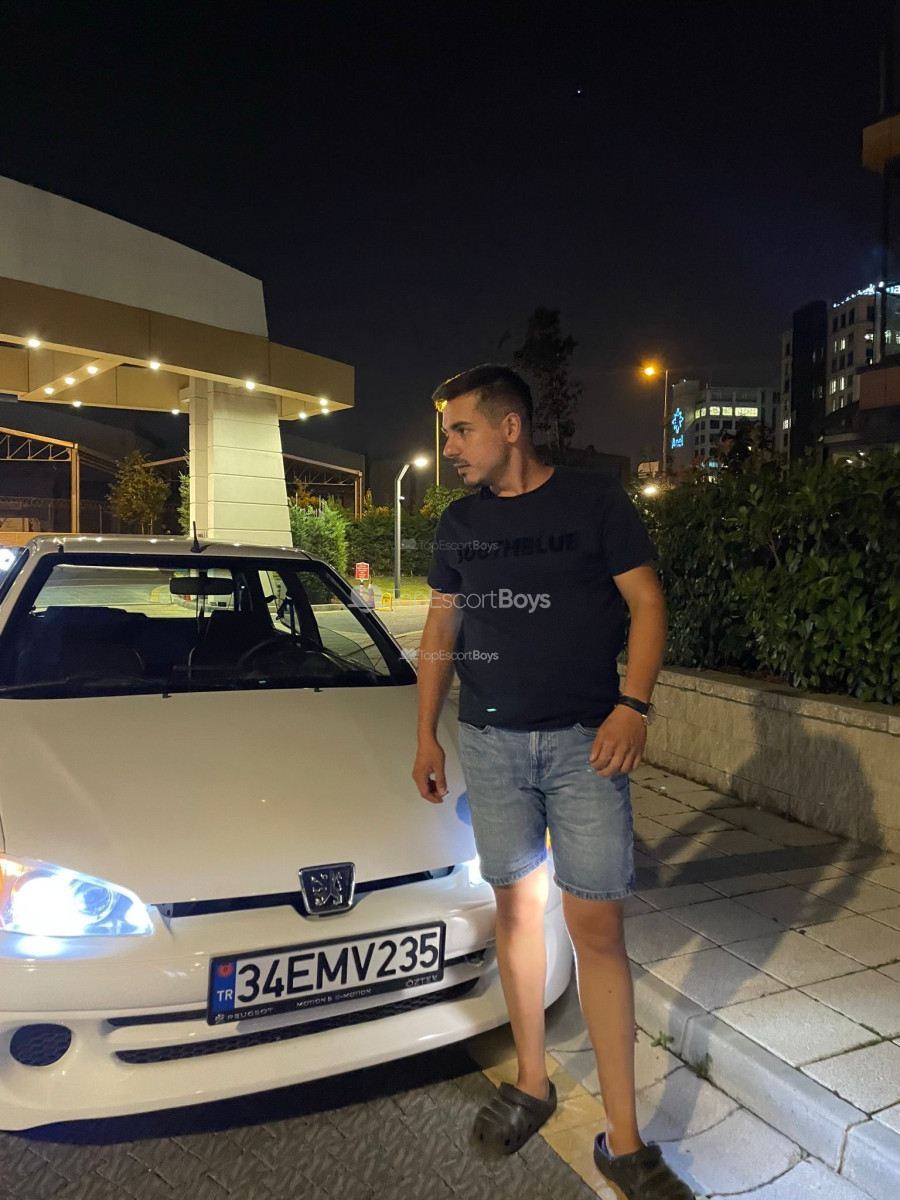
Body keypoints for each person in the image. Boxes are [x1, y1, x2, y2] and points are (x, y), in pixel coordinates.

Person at [412, 365, 692, 1199]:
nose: (450, 447)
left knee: (596, 926)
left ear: (510, 428)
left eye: (460, 430)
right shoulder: (460, 523)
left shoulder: (595, 502)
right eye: (447, 433)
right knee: (517, 910)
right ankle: (532, 1082)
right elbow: (441, 625)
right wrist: (423, 732)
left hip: (584, 747)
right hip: (490, 743)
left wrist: (633, 706)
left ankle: (624, 1140)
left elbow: (647, 604)